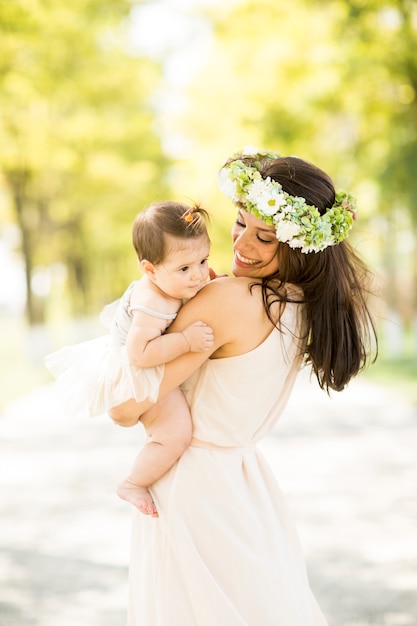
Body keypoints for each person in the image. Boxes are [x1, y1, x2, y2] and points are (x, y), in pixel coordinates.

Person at [109, 147, 378, 626]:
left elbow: (127, 406)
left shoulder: (229, 296)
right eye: (240, 223)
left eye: (266, 237)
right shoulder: (300, 305)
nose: (241, 245)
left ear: (300, 243)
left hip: (193, 487)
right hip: (245, 484)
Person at [46, 200, 214, 517]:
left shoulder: (171, 283)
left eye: (203, 260)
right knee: (175, 434)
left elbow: (194, 276)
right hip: (134, 373)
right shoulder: (153, 302)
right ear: (150, 269)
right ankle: (133, 483)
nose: (198, 275)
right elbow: (140, 354)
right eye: (185, 269)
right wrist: (185, 341)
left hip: (145, 362)